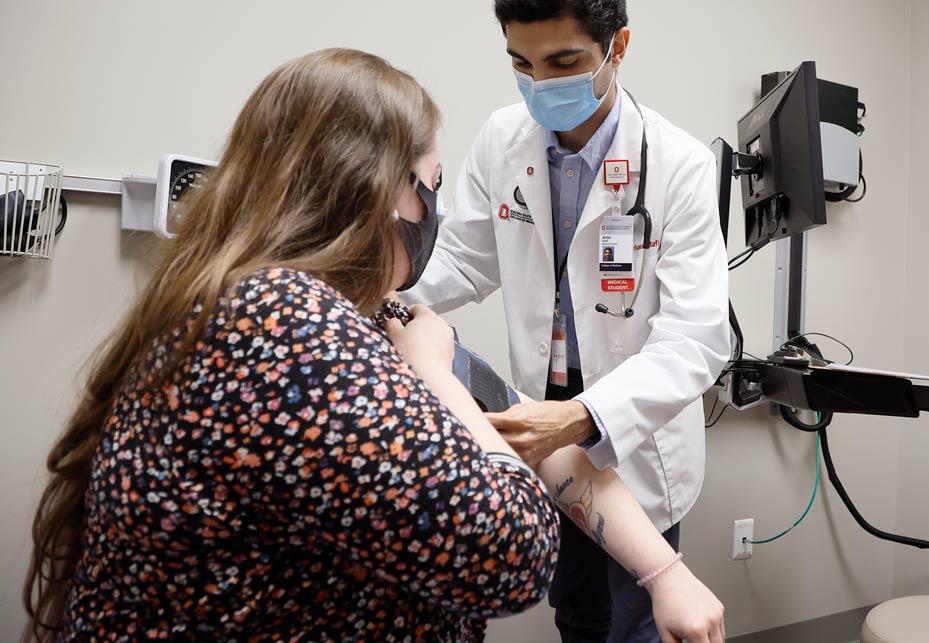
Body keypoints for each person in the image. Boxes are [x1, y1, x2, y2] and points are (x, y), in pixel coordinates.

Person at [23, 48, 722, 643]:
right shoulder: (288, 327)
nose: (435, 216)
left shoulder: (325, 308)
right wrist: (437, 374)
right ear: (376, 192)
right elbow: (510, 553)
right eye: (430, 190)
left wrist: (667, 572)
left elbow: (531, 434)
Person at [401, 0, 730, 640]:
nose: (540, 85)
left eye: (564, 62)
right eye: (521, 63)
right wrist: (371, 294)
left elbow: (696, 339)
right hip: (542, 423)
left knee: (641, 618)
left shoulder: (679, 165)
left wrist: (582, 416)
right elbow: (463, 258)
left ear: (619, 46)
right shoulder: (503, 139)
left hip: (627, 430)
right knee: (577, 611)